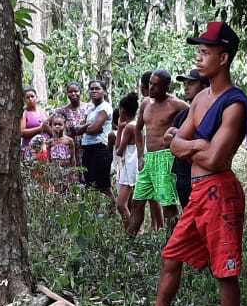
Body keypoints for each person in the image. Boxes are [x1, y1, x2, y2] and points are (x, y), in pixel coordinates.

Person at [132, 22, 247, 306]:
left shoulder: (234, 105)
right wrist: (195, 144)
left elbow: (216, 158)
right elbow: (175, 145)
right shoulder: (201, 98)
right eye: (199, 51)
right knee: (171, 255)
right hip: (199, 191)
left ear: (224, 58)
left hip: (220, 192)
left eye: (205, 52)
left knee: (225, 271)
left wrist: (186, 144)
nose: (199, 58)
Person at [130, 69, 189, 233]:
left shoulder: (177, 104)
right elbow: (138, 129)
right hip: (149, 159)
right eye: (150, 84)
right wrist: (141, 155)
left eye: (156, 86)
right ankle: (128, 244)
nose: (151, 88)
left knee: (168, 205)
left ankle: (172, 246)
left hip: (166, 158)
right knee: (137, 202)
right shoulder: (146, 104)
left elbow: (195, 119)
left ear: (166, 86)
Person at [171, 69, 207, 208]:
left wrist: (179, 139)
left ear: (204, 86)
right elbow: (167, 140)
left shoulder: (211, 114)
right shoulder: (182, 116)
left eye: (191, 83)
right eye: (185, 83)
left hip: (202, 177)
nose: (186, 86)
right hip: (182, 176)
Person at [74, 80, 114, 195]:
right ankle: (95, 212)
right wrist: (88, 126)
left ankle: (112, 212)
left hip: (100, 148)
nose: (94, 91)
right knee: (90, 185)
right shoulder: (90, 109)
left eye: (97, 88)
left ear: (104, 92)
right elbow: (77, 130)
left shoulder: (105, 107)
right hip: (88, 149)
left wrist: (86, 128)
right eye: (91, 89)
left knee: (104, 186)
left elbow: (94, 129)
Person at [114, 92, 141, 220]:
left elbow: (118, 150)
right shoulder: (137, 125)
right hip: (134, 166)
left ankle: (130, 233)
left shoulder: (129, 127)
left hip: (130, 168)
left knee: (121, 204)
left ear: (122, 110)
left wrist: (119, 128)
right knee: (131, 203)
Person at [33, 114, 75, 191]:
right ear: (51, 126)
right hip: (54, 170)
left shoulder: (69, 141)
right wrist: (49, 172)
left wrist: (72, 172)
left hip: (66, 169)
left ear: (64, 125)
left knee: (66, 189)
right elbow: (48, 159)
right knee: (56, 189)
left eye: (60, 124)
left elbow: (73, 158)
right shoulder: (50, 142)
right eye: (55, 124)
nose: (57, 126)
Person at [55, 82, 88, 168]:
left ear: (80, 92)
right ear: (67, 94)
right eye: (70, 92)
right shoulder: (62, 111)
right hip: (70, 148)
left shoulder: (88, 107)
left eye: (76, 91)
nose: (73, 94)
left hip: (86, 147)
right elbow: (53, 125)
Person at [21, 87, 46, 161]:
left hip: (43, 149)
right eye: (27, 97)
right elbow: (22, 132)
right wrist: (39, 129)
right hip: (30, 150)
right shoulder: (24, 113)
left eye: (32, 96)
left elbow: (49, 128)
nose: (30, 99)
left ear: (36, 97)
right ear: (24, 100)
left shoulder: (43, 112)